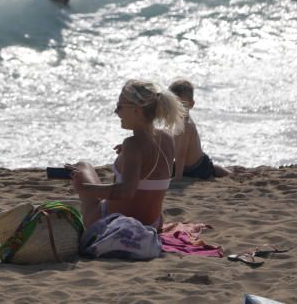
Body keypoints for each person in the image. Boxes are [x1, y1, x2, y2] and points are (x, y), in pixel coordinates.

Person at [68, 80, 186, 229]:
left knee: (82, 166)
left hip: (118, 225)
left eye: (119, 107)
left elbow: (125, 192)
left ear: (136, 110)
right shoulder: (167, 138)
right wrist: (128, 153)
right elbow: (151, 167)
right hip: (153, 224)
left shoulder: (133, 144)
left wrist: (83, 188)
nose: (116, 112)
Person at [168, 79, 231, 180]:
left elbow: (181, 154)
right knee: (212, 168)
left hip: (197, 167)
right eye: (175, 105)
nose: (178, 109)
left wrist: (178, 177)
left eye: (182, 105)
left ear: (191, 104)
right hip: (185, 165)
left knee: (210, 169)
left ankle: (230, 174)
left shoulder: (186, 125)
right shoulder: (175, 121)